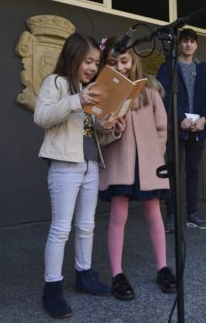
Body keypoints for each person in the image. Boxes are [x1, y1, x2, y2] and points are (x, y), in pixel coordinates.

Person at [34, 32, 120, 319]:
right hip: (64, 166)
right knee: (61, 229)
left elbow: (87, 131)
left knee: (86, 226)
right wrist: (76, 99)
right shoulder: (56, 82)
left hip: (90, 164)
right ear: (73, 57)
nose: (94, 68)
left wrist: (106, 126)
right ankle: (52, 288)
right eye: (88, 61)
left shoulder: (89, 90)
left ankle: (84, 275)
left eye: (96, 63)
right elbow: (42, 117)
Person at [98, 36, 177, 301]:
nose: (120, 67)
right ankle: (117, 273)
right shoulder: (102, 91)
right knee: (118, 216)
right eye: (113, 62)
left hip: (149, 163)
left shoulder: (151, 91)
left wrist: (157, 153)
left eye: (124, 61)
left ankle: (162, 267)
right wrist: (109, 128)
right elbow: (91, 130)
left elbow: (162, 128)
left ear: (134, 61)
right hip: (120, 162)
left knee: (154, 213)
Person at [156, 28, 206, 232]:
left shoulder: (202, 69)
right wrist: (180, 118)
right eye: (184, 41)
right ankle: (172, 214)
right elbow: (163, 96)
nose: (188, 44)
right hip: (176, 127)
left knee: (192, 170)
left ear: (196, 45)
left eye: (192, 41)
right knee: (173, 171)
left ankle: (192, 213)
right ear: (179, 44)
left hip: (198, 128)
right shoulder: (168, 67)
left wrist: (204, 119)